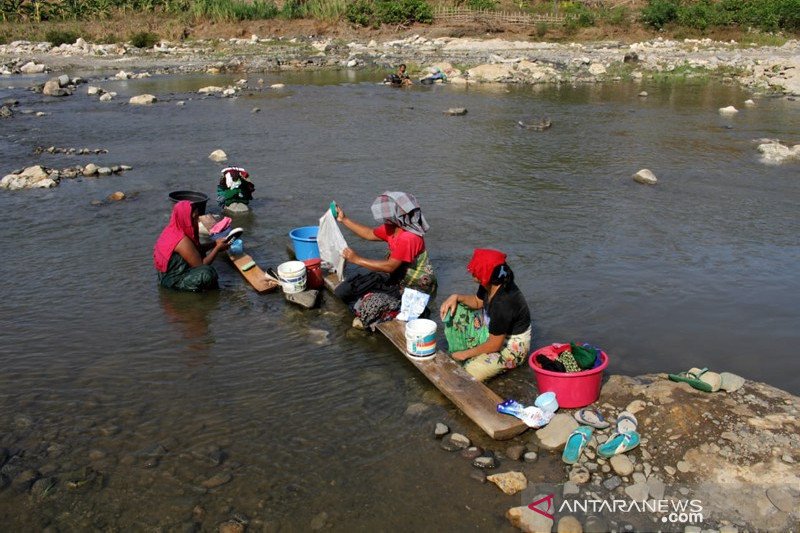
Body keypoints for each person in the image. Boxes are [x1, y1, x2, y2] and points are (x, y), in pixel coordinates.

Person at [333, 191, 437, 328]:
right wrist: (344, 219)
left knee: (369, 305)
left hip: (413, 289)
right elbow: (370, 234)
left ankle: (414, 310)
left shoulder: (409, 238)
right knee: (344, 291)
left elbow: (390, 266)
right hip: (397, 280)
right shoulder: (393, 228)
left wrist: (357, 259)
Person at [439, 249, 531, 381]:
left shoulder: (503, 303)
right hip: (494, 333)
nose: (471, 273)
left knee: (470, 371)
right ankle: (467, 351)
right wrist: (456, 297)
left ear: (485, 274)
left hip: (510, 346)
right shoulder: (491, 283)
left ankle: (469, 355)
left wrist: (465, 354)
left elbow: (495, 346)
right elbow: (477, 302)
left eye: (475, 271)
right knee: (456, 308)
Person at [154, 200, 229, 291]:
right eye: (194, 218)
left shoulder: (174, 228)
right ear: (185, 218)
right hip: (173, 280)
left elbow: (195, 249)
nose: (196, 221)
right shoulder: (181, 240)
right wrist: (217, 249)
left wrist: (214, 244)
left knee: (202, 256)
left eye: (197, 217)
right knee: (207, 273)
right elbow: (201, 265)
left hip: (168, 274)